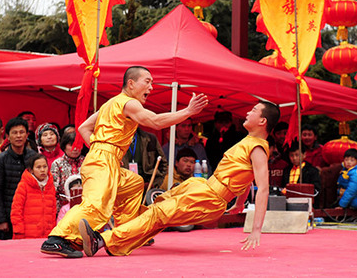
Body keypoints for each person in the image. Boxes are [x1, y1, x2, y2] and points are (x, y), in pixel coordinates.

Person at [41, 66, 208, 258]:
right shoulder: (129, 103)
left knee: (133, 183)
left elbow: (84, 128)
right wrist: (188, 111)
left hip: (106, 159)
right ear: (131, 83)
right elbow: (154, 121)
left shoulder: (110, 104)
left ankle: (122, 237)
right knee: (97, 204)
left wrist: (101, 149)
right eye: (147, 81)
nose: (151, 87)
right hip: (102, 160)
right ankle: (57, 239)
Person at [77, 100, 280, 257]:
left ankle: (101, 240)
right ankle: (124, 238)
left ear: (263, 121)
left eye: (253, 110)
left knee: (158, 214)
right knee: (158, 205)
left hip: (209, 197)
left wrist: (256, 229)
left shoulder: (258, 148)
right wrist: (239, 203)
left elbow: (262, 188)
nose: (247, 112)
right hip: (202, 187)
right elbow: (247, 178)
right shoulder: (249, 142)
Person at [0, 117, 37, 240]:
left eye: (21, 132)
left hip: (31, 215)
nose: (18, 136)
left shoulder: (34, 158)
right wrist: (1, 220)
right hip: (8, 216)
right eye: (14, 133)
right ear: (7, 136)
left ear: (27, 135)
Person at [11, 154, 57, 239]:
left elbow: (53, 211)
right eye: (38, 167)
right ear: (31, 170)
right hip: (26, 235)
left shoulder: (50, 186)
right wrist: (19, 231)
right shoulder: (23, 185)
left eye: (45, 166)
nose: (42, 170)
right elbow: (16, 210)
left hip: (47, 235)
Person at [51, 131, 85, 213]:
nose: (75, 148)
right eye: (71, 145)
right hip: (63, 209)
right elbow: (54, 189)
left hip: (85, 207)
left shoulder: (87, 162)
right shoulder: (57, 164)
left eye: (78, 145)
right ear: (64, 146)